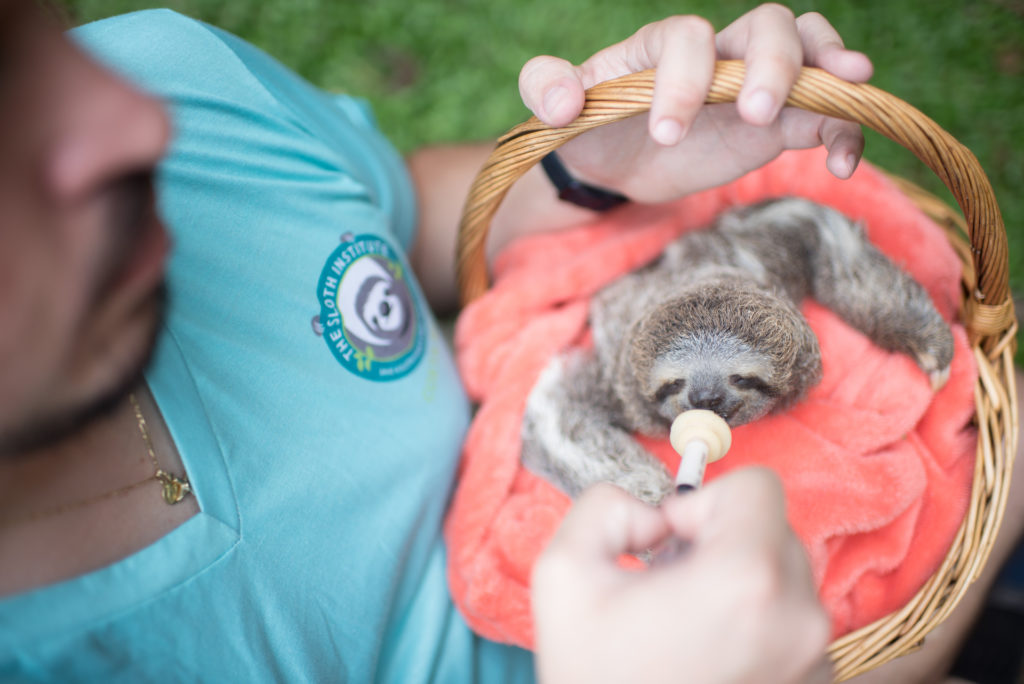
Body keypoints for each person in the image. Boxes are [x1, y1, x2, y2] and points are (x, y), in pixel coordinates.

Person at [0, 1, 1015, 681]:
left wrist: (590, 175)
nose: (135, 118)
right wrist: (999, 514)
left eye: (36, 30)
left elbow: (408, 210)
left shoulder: (176, 79)